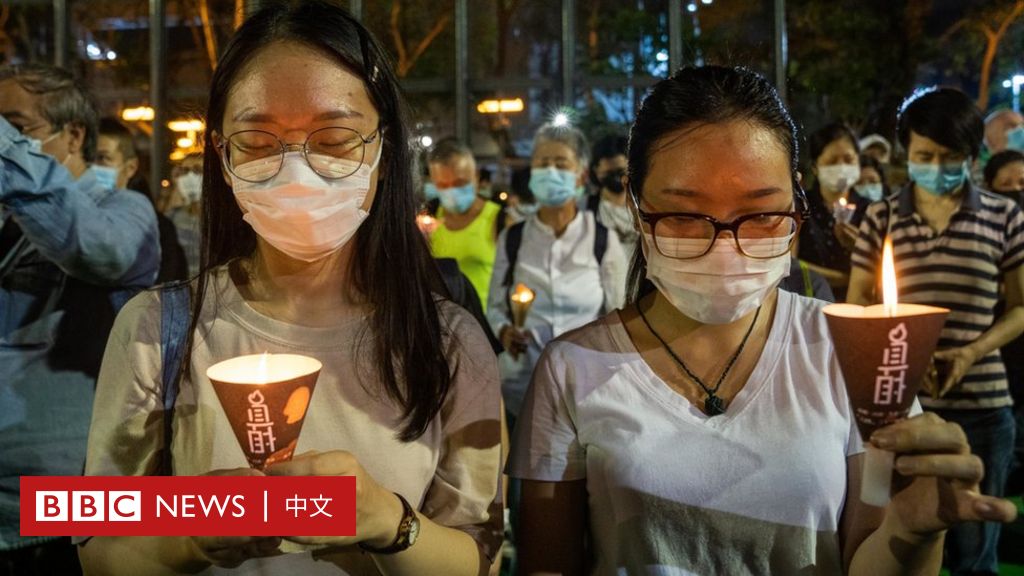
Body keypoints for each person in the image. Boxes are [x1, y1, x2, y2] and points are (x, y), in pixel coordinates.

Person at [510, 65, 1018, 576]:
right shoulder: (573, 369)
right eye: (685, 215)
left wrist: (908, 536)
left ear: (796, 200)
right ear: (637, 203)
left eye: (760, 214)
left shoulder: (852, 349)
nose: (727, 248)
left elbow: (874, 558)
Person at [77, 2, 503, 574]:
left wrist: (386, 521)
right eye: (257, 141)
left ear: (382, 149)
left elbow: (479, 556)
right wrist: (193, 533)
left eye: (336, 138)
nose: (297, 172)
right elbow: (98, 544)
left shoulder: (447, 340)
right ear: (222, 156)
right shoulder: (157, 328)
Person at [848, 86, 1024, 575]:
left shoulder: (1005, 216)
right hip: (902, 406)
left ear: (972, 157)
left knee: (976, 551)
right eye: (924, 155)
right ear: (906, 151)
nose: (936, 166)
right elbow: (860, 300)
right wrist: (908, 361)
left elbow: (1021, 306)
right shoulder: (881, 216)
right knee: (900, 540)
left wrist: (971, 352)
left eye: (951, 157)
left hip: (983, 406)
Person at [0, 64, 160, 573]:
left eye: (16, 128)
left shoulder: (126, 211)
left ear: (73, 135)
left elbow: (96, 248)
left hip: (63, 519)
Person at [486, 122, 627, 424]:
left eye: (561, 164)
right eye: (542, 163)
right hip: (523, 386)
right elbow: (496, 306)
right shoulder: (513, 238)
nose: (550, 171)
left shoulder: (602, 239)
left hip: (589, 387)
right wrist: (504, 331)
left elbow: (620, 315)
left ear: (581, 175)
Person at [97, 117, 189, 283]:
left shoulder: (158, 229)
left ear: (130, 167)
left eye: (102, 158)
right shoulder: (70, 217)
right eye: (85, 159)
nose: (91, 168)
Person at [983, 149, 1024, 495]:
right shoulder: (992, 228)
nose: (1017, 191)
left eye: (1023, 183)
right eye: (1006, 185)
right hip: (1002, 361)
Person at [424, 138, 504, 309]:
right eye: (443, 185)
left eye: (459, 183)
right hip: (441, 324)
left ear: (475, 176)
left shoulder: (498, 219)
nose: (452, 191)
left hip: (485, 324)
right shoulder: (427, 221)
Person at [797, 122, 866, 299]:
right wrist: (847, 279)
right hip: (809, 301)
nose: (842, 167)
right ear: (815, 167)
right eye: (832, 161)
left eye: (849, 160)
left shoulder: (872, 210)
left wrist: (862, 247)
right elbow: (790, 263)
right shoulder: (799, 206)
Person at [585, 133, 638, 259]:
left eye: (621, 172)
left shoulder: (646, 205)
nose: (616, 178)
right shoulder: (585, 208)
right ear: (596, 171)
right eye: (608, 173)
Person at [165, 153, 203, 277]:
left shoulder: (222, 222)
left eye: (197, 170)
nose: (190, 176)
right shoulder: (173, 216)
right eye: (185, 171)